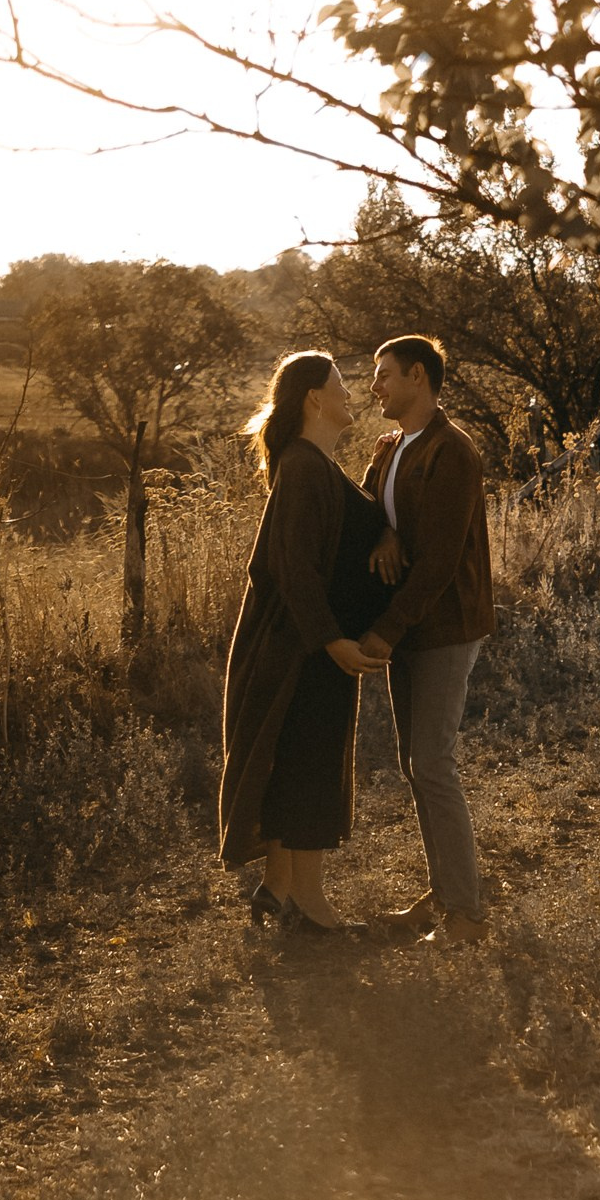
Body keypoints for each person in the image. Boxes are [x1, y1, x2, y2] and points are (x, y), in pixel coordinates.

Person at [218, 352, 389, 935]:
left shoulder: (316, 464)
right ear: (314, 398)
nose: (352, 395)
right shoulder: (301, 465)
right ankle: (312, 906)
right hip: (302, 650)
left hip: (308, 646)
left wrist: (376, 481)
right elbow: (294, 570)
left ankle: (281, 890)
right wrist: (332, 641)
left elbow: (345, 526)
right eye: (341, 386)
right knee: (309, 765)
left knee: (294, 760)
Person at [357, 335, 496, 946]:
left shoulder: (453, 453)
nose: (374, 386)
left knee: (432, 763)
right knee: (416, 766)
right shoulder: (392, 449)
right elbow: (364, 513)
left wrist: (385, 629)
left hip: (441, 627)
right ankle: (443, 895)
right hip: (410, 627)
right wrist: (383, 533)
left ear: (419, 377)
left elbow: (439, 562)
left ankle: (466, 915)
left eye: (385, 374)